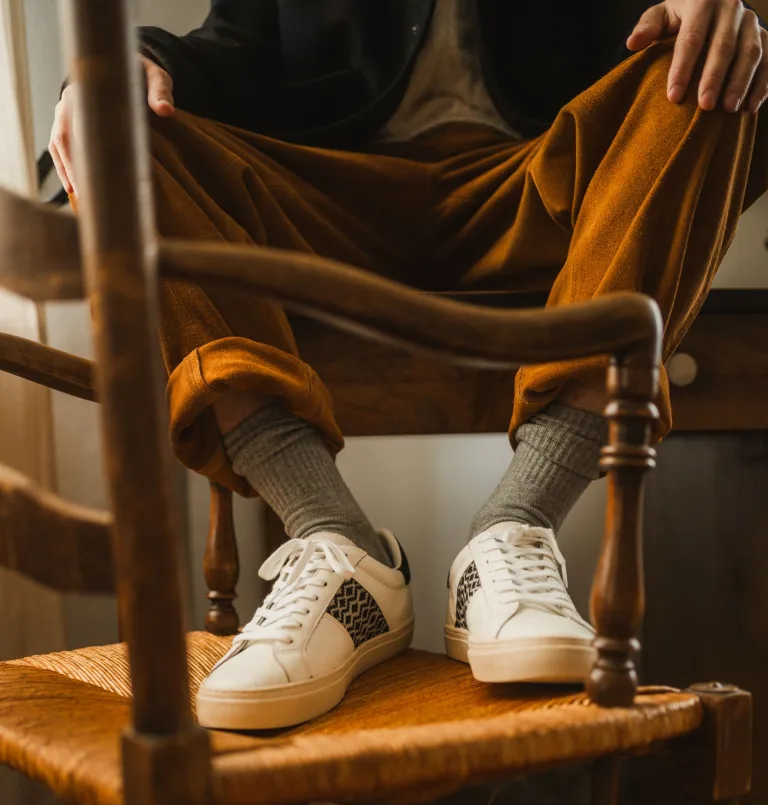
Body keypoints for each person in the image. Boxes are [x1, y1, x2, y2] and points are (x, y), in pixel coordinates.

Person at [50, 0, 768, 729]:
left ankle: (513, 531)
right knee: (124, 128)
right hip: (329, 197)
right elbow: (232, 43)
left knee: (712, 66)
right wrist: (126, 66)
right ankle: (339, 547)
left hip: (544, 189)